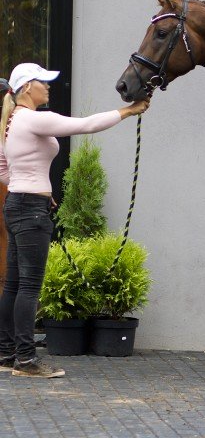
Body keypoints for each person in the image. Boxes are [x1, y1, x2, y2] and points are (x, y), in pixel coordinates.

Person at [0, 63, 149, 378]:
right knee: (29, 286)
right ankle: (25, 361)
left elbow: (3, 167)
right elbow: (87, 125)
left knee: (13, 285)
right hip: (30, 210)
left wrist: (33, 185)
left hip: (17, 204)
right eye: (44, 82)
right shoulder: (35, 119)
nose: (49, 87)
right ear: (27, 87)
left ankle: (7, 352)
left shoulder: (12, 121)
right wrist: (128, 111)